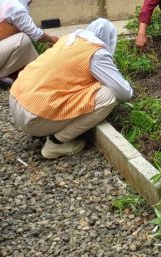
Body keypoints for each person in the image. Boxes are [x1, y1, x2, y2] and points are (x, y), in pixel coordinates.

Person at [8, 18, 133, 159]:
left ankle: (47, 127)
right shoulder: (97, 53)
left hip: (16, 99)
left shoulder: (69, 39)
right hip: (33, 118)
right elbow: (124, 92)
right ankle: (55, 143)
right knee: (108, 95)